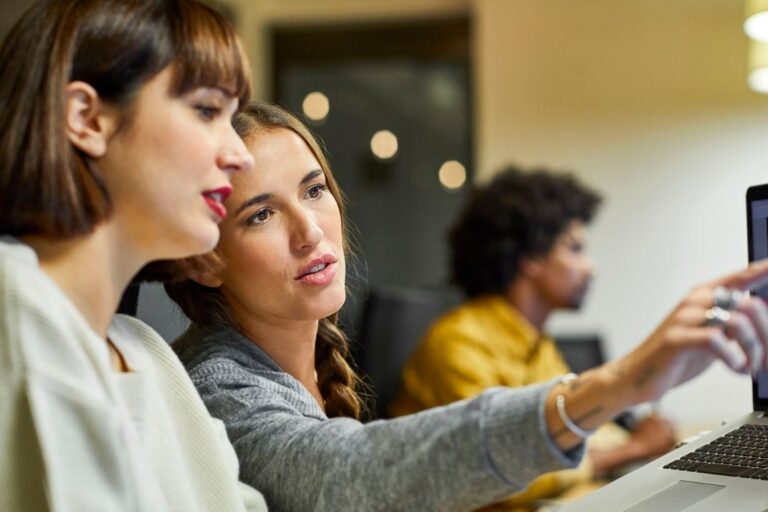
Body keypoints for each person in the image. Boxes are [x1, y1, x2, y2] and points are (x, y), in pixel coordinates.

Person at [166, 101, 768, 512]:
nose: (310, 232)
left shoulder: (299, 367)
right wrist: (621, 382)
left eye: (315, 189)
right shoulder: (216, 388)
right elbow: (346, 474)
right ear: (204, 256)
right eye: (261, 214)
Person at [0, 1, 266, 510]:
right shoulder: (18, 309)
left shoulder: (145, 349)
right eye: (207, 110)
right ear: (88, 118)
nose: (240, 154)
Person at [389, 168, 677, 510]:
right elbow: (500, 470)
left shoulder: (537, 343)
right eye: (574, 249)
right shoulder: (456, 343)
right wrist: (633, 449)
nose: (590, 268)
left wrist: (641, 438)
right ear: (531, 258)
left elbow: (580, 428)